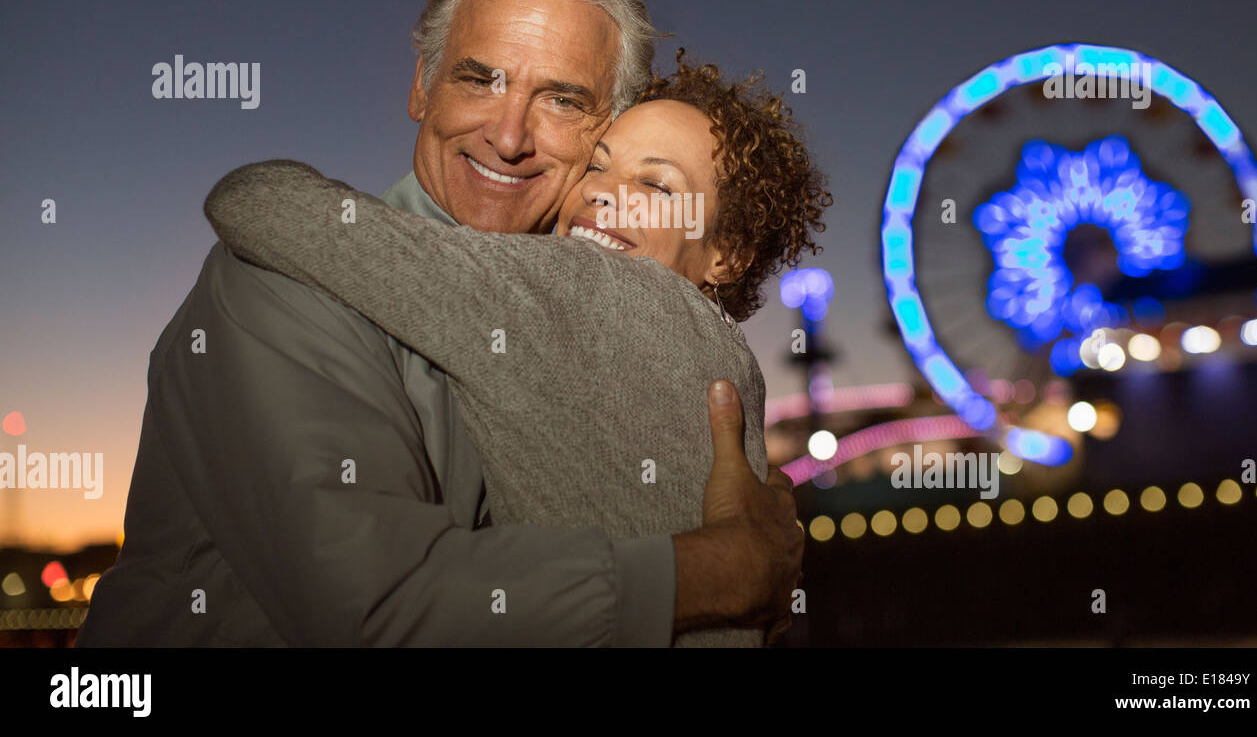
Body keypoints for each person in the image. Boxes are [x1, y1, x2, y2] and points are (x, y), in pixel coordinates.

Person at [77, 0, 804, 647]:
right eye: (478, 78)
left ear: (601, 122)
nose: (509, 134)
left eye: (560, 98)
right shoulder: (278, 283)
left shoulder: (600, 309)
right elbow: (380, 608)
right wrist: (720, 574)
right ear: (421, 85)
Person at [203, 53, 832, 646]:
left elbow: (254, 201)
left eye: (659, 187)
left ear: (728, 254)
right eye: (597, 164)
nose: (601, 192)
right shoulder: (733, 364)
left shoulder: (584, 292)